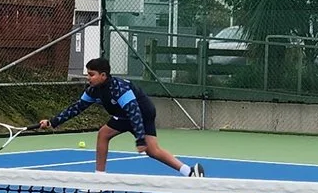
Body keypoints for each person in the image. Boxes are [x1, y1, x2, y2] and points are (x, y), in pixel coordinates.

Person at [34, 56, 206, 176]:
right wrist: (53, 121)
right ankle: (100, 178)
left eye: (91, 74)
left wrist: (140, 140)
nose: (88, 77)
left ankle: (189, 171)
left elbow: (134, 112)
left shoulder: (119, 89)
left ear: (103, 75)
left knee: (152, 150)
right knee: (104, 134)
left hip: (143, 113)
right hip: (124, 116)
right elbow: (77, 108)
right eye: (88, 74)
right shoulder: (93, 90)